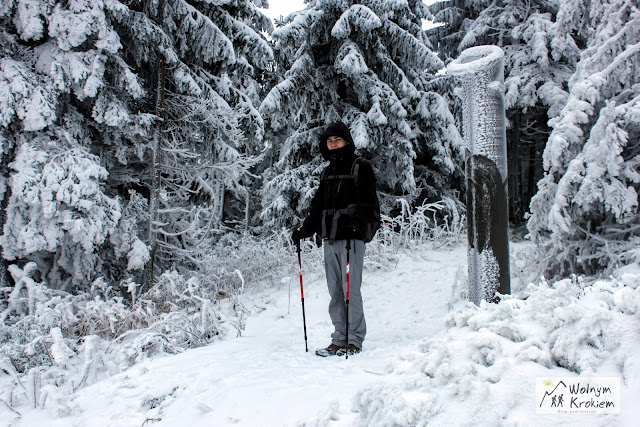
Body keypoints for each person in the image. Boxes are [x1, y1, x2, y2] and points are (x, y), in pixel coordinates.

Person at [291, 121, 380, 356]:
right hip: (329, 239)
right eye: (329, 141)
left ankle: (354, 339)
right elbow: (318, 206)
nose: (333, 144)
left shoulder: (361, 167)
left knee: (351, 290)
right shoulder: (327, 171)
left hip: (352, 240)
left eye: (337, 140)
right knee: (336, 292)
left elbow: (369, 202)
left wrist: (356, 224)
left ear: (347, 141)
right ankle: (339, 338)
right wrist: (305, 230)